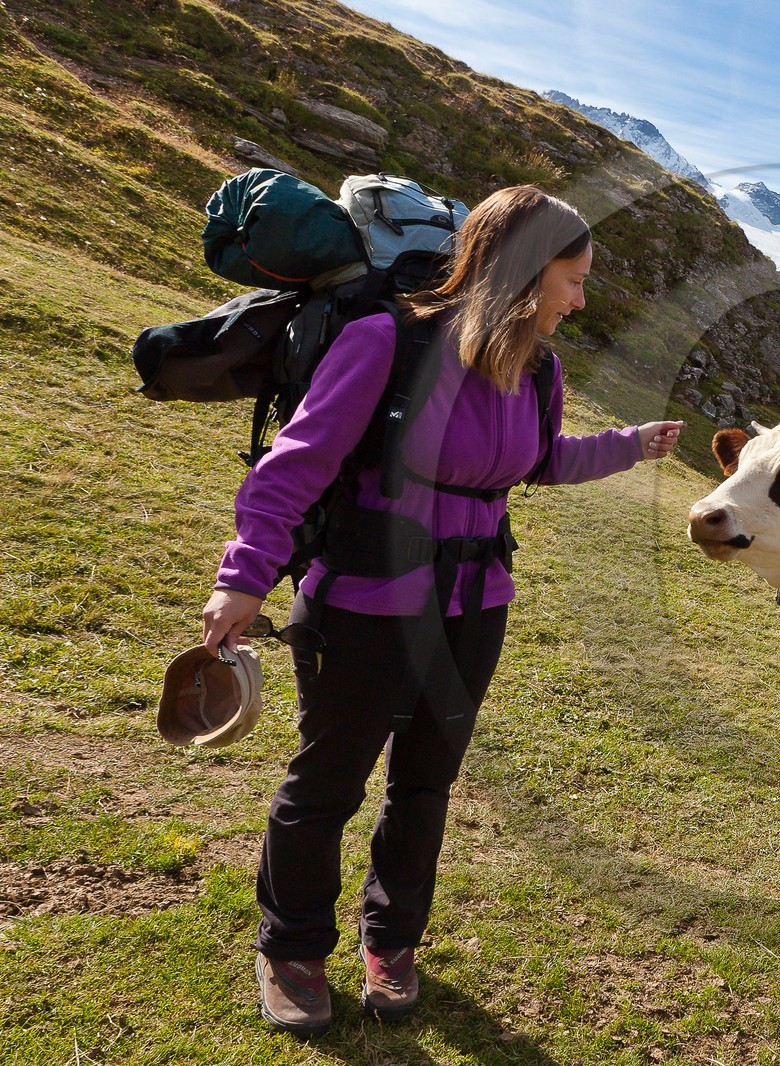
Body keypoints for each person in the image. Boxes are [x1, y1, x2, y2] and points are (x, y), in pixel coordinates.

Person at [200, 185, 683, 1035]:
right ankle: (292, 948)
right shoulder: (385, 342)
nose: (581, 298)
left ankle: (391, 939)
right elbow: (296, 463)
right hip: (365, 601)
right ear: (526, 273)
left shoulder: (538, 369)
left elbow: (534, 462)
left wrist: (630, 446)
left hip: (474, 605)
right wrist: (245, 578)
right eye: (573, 279)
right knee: (330, 780)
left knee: (425, 782)